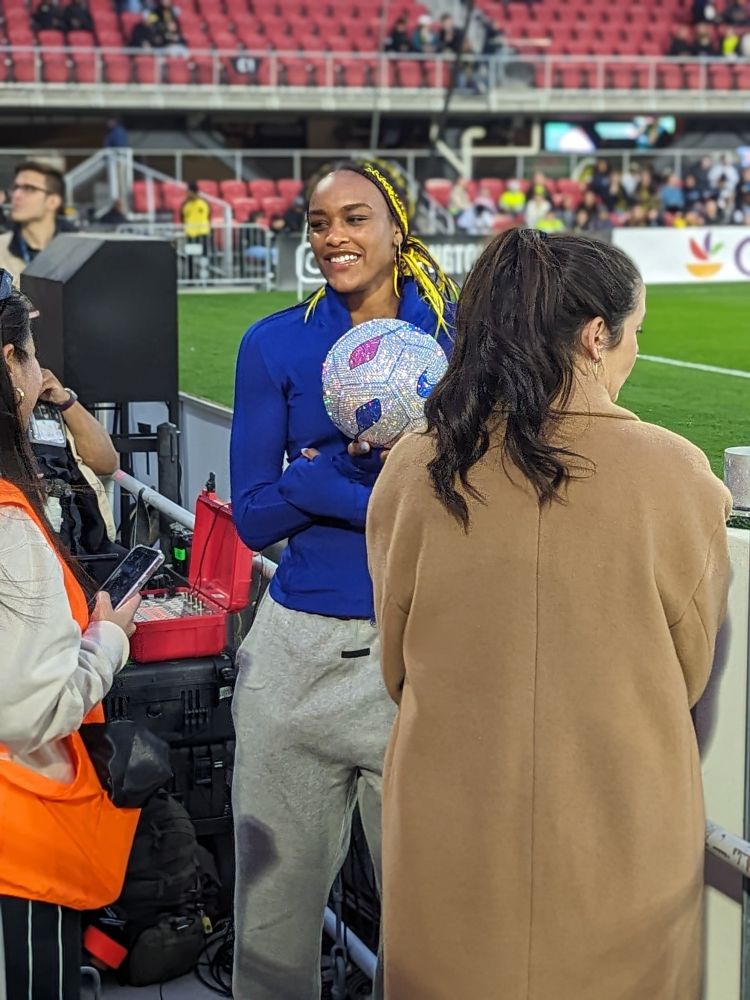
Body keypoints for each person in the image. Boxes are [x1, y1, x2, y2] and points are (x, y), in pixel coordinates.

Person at [366, 229, 732, 1000]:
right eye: (634, 335)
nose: (633, 353)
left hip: (452, 824)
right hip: (620, 832)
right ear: (597, 336)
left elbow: (396, 660)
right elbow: (690, 670)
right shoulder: (675, 474)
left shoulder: (416, 464)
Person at [229, 159, 457, 1000]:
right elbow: (253, 516)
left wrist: (343, 479)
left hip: (425, 660)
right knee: (273, 918)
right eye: (320, 225)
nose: (335, 239)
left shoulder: (459, 335)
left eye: (355, 219)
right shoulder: (274, 342)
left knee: (433, 923)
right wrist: (334, 487)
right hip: (298, 658)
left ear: (398, 227)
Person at [0, 270, 140, 999]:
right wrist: (109, 641)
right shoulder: (10, 523)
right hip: (19, 844)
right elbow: (30, 707)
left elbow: (107, 462)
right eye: (25, 350)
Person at [0, 161, 70, 281]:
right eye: (16, 188)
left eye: (29, 188)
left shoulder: (78, 251)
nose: (16, 195)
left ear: (53, 201)